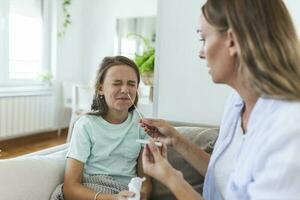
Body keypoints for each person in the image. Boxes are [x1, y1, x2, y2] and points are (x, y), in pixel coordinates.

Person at [139, 0, 300, 199]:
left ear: (232, 40)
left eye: (203, 39)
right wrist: (176, 139)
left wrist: (172, 178)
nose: (201, 53)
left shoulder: (288, 129)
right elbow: (224, 177)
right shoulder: (236, 103)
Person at [62, 56, 152, 200]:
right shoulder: (86, 125)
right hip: (93, 192)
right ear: (101, 88)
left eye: (131, 83)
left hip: (126, 192)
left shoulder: (142, 125)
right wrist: (113, 198)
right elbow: (70, 187)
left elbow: (145, 180)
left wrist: (141, 196)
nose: (125, 90)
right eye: (116, 83)